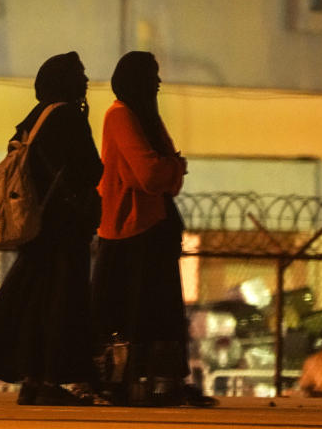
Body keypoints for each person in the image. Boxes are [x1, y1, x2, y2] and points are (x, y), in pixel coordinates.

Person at [0, 52, 103, 405]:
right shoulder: (69, 117)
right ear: (65, 81)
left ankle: (33, 378)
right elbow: (91, 168)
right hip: (63, 227)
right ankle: (49, 380)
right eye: (80, 74)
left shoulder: (34, 118)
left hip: (35, 225)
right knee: (61, 303)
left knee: (33, 302)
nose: (86, 81)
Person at [92, 51, 214, 407]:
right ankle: (122, 383)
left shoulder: (147, 118)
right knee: (126, 312)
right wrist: (173, 166)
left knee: (159, 311)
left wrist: (168, 169)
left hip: (154, 229)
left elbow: (163, 179)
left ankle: (162, 386)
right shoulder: (120, 116)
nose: (158, 83)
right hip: (127, 230)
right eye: (152, 75)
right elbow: (149, 175)